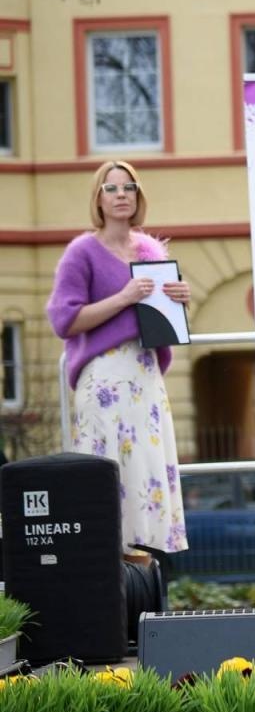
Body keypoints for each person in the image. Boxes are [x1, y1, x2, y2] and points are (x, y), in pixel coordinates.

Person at [47, 161, 190, 559]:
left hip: (145, 378)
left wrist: (177, 301)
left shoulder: (150, 251)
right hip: (103, 378)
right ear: (98, 198)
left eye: (129, 187)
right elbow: (64, 320)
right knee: (107, 469)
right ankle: (106, 564)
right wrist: (124, 297)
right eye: (111, 188)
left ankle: (144, 564)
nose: (121, 195)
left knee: (147, 470)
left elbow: (160, 322)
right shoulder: (82, 252)